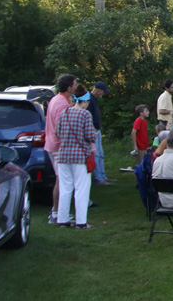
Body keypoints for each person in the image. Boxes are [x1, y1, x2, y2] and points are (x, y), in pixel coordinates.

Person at [55, 84, 99, 229]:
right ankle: (81, 222)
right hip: (80, 157)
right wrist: (94, 135)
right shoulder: (85, 115)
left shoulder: (64, 113)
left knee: (65, 188)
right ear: (85, 101)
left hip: (63, 156)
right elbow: (89, 136)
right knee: (82, 189)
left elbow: (59, 133)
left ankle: (62, 219)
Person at [45, 74, 77, 223]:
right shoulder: (61, 104)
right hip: (58, 147)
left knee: (62, 179)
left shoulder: (56, 99)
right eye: (75, 84)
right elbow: (60, 128)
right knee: (62, 180)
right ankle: (56, 212)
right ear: (69, 88)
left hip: (53, 144)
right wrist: (67, 143)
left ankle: (58, 212)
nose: (76, 86)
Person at [87, 81, 113, 185]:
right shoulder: (89, 99)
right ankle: (99, 178)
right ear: (98, 90)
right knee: (96, 154)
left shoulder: (94, 99)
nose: (103, 94)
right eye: (103, 91)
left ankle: (103, 176)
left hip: (97, 129)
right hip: (93, 130)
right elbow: (87, 115)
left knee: (100, 154)